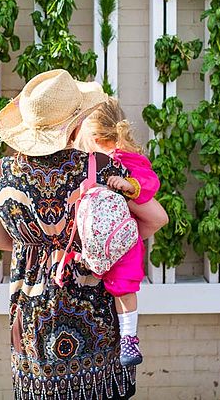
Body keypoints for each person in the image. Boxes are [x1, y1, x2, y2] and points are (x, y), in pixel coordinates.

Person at [0, 69, 169, 400]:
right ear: (76, 123)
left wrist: (36, 245)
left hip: (31, 325)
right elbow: (156, 218)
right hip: (96, 324)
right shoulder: (100, 168)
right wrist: (110, 243)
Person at [76, 98, 160, 367]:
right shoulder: (89, 163)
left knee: (124, 287)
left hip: (121, 243)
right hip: (98, 243)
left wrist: (129, 185)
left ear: (96, 136)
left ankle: (129, 337)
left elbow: (150, 181)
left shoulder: (124, 160)